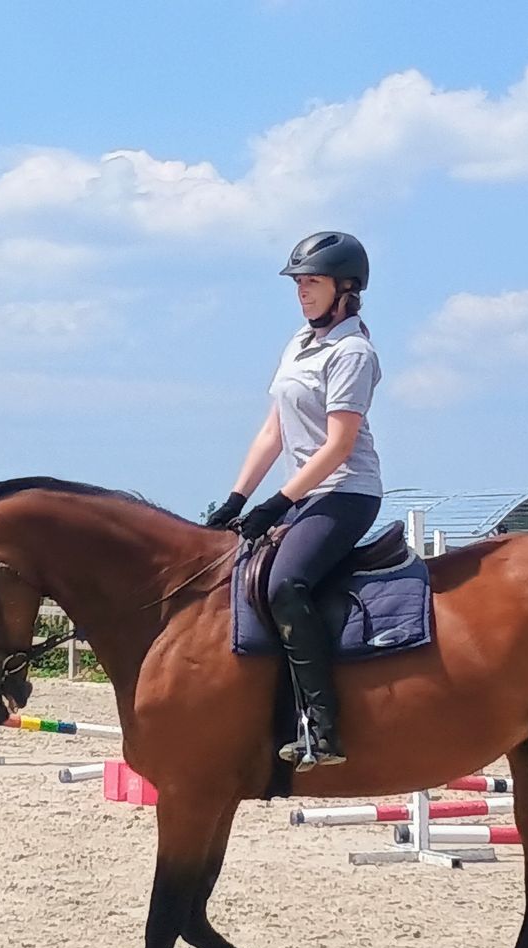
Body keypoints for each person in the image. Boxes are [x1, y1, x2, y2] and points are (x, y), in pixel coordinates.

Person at [205, 230, 384, 770]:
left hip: (346, 491)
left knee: (287, 582)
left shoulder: (352, 352)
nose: (302, 292)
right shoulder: (298, 345)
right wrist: (236, 500)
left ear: (345, 289)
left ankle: (323, 726)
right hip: (302, 492)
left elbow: (339, 446)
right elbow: (273, 432)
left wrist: (277, 503)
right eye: (299, 283)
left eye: (313, 282)